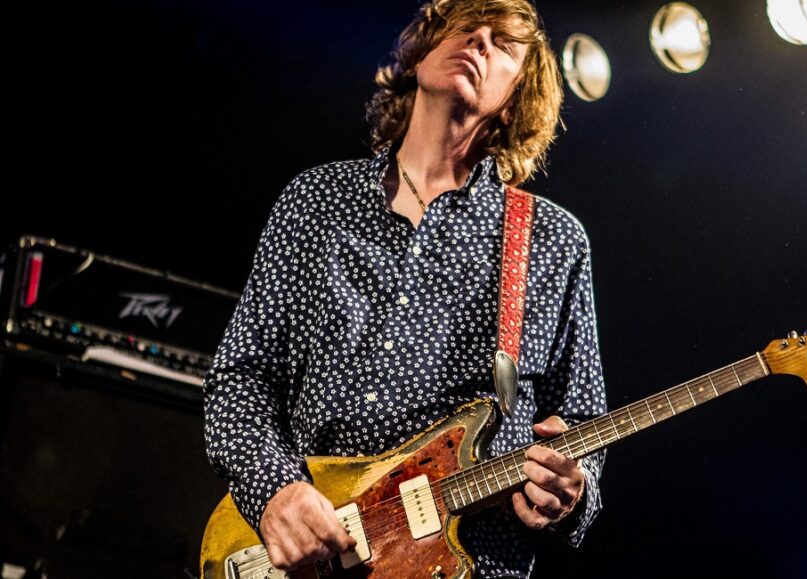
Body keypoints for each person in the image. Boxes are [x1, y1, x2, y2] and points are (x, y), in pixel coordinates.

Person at [202, 1, 608, 577]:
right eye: (465, 25)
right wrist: (275, 491)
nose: (479, 41)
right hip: (318, 556)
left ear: (518, 97)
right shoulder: (316, 202)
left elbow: (584, 424)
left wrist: (573, 490)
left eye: (504, 43)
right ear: (419, 52)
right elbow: (240, 378)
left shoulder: (551, 241)